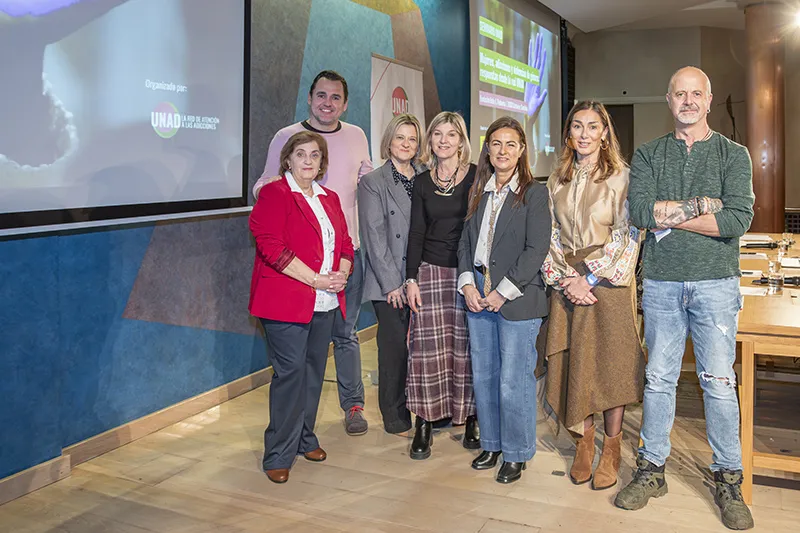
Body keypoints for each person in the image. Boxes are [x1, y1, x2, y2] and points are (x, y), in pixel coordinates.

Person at [615, 67, 755, 531]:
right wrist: (703, 205)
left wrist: (672, 215)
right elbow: (639, 212)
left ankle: (727, 478)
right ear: (668, 99)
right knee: (658, 380)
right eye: (680, 94)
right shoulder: (650, 154)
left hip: (716, 284)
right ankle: (651, 469)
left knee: (718, 382)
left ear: (709, 99)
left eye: (697, 94)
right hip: (661, 284)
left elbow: (736, 219)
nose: (688, 101)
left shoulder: (733, 155)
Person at [253, 70, 372, 436]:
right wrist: (292, 200)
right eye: (321, 95)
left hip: (346, 257)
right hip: (299, 266)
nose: (327, 103)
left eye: (335, 97)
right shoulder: (286, 137)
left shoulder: (356, 136)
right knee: (297, 359)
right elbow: (264, 184)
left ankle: (352, 405)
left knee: (345, 336)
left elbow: (369, 182)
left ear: (345, 103)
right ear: (309, 98)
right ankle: (290, 435)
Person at [540, 101, 644, 491]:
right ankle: (585, 442)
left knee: (611, 365)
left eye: (592, 127)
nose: (584, 134)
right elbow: (548, 235)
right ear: (569, 134)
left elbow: (627, 235)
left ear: (605, 132)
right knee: (574, 363)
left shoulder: (622, 177)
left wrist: (592, 279)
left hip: (608, 284)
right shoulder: (557, 179)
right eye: (577, 127)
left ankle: (612, 447)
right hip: (568, 279)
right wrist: (568, 278)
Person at [249, 131, 353, 484]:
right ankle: (278, 451)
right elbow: (269, 246)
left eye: (314, 155)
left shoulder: (331, 198)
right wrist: (315, 279)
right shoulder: (275, 194)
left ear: (322, 163)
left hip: (324, 302)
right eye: (300, 154)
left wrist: (341, 272)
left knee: (312, 373)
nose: (308, 161)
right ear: (288, 159)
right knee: (290, 374)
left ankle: (304, 437)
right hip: (284, 302)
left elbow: (346, 245)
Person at [457, 116, 550, 483]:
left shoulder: (534, 193)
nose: (503, 151)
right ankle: (492, 443)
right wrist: (468, 284)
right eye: (496, 143)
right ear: (487, 149)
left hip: (517, 297)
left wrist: (500, 292)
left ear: (522, 150)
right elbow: (465, 242)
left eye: (511, 144)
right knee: (484, 375)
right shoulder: (479, 190)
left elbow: (536, 249)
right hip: (477, 290)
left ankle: (516, 452)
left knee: (513, 380)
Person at [404, 111, 478, 459]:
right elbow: (416, 232)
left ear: (462, 141)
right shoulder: (422, 182)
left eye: (452, 134)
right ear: (430, 141)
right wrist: (411, 278)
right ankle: (424, 422)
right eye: (437, 134)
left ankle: (473, 417)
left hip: (468, 273)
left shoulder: (478, 176)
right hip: (431, 271)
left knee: (466, 347)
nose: (444, 140)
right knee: (426, 351)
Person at [358, 113, 425, 436]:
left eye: (412, 139)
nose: (406, 144)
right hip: (390, 282)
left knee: (422, 348)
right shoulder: (373, 182)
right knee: (394, 349)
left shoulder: (426, 176)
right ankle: (394, 413)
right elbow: (374, 236)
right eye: (400, 138)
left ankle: (422, 407)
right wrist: (392, 285)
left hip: (423, 277)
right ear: (388, 141)